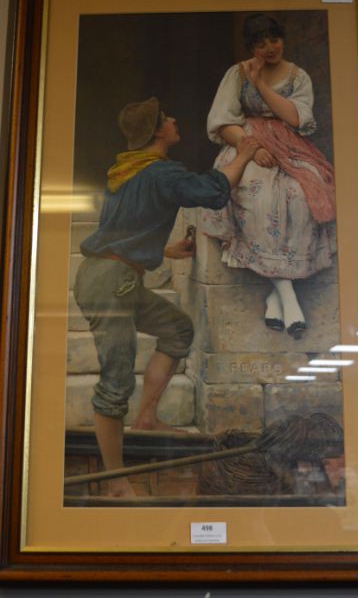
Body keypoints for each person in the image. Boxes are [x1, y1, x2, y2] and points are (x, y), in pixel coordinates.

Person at [73, 97, 259, 497]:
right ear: (158, 130)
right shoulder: (160, 172)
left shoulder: (125, 169)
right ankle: (116, 482)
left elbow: (121, 231)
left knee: (177, 330)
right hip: (112, 284)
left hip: (109, 276)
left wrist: (166, 250)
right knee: (116, 382)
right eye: (167, 118)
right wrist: (244, 154)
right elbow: (212, 191)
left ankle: (146, 419)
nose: (174, 120)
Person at [201, 13, 337, 339]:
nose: (270, 48)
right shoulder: (236, 74)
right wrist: (252, 147)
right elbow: (222, 122)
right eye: (261, 44)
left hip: (290, 147)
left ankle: (276, 298)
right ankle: (288, 300)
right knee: (257, 195)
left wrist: (260, 83)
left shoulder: (298, 76)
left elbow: (295, 119)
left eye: (274, 40)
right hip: (245, 143)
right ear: (252, 48)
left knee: (303, 193)